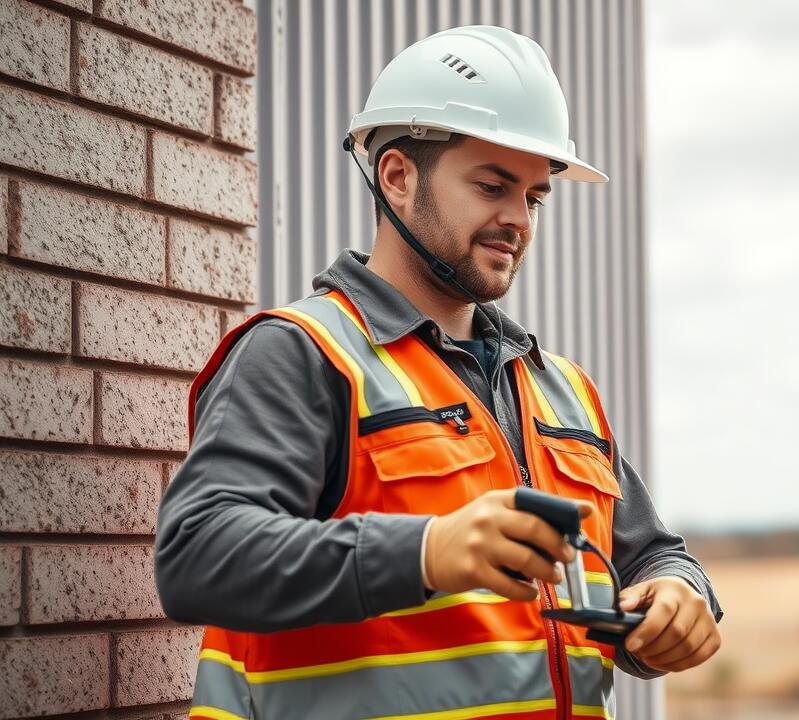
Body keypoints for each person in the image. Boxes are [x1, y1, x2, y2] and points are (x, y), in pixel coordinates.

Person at [154, 24, 722, 720]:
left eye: (535, 197)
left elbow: (650, 556)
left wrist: (677, 595)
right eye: (492, 185)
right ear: (396, 177)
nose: (518, 219)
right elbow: (197, 557)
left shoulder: (559, 388)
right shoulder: (303, 354)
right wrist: (428, 550)